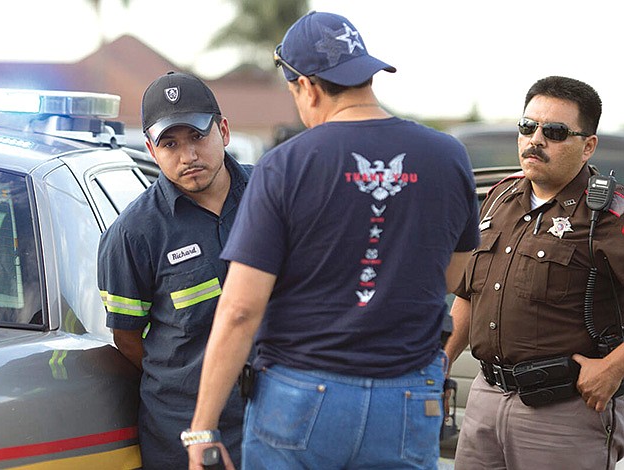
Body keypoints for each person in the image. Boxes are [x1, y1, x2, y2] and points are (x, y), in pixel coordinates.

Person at [184, 11, 481, 470]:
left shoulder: (286, 165)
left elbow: (241, 309)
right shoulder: (447, 155)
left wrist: (203, 427)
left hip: (301, 397)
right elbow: (452, 273)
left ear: (308, 85)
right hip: (407, 393)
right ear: (365, 72)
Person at [445, 76, 624, 470]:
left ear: (587, 146)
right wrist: (442, 359)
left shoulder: (607, 216)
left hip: (564, 411)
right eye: (528, 127)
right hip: (484, 398)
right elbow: (469, 294)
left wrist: (613, 367)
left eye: (555, 131)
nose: (536, 139)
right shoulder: (500, 197)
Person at [97, 71, 251, 469]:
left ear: (224, 130)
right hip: (183, 435)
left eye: (198, 136)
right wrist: (186, 381)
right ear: (150, 148)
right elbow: (127, 338)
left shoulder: (271, 196)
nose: (188, 156)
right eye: (170, 143)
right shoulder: (134, 234)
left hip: (277, 419)